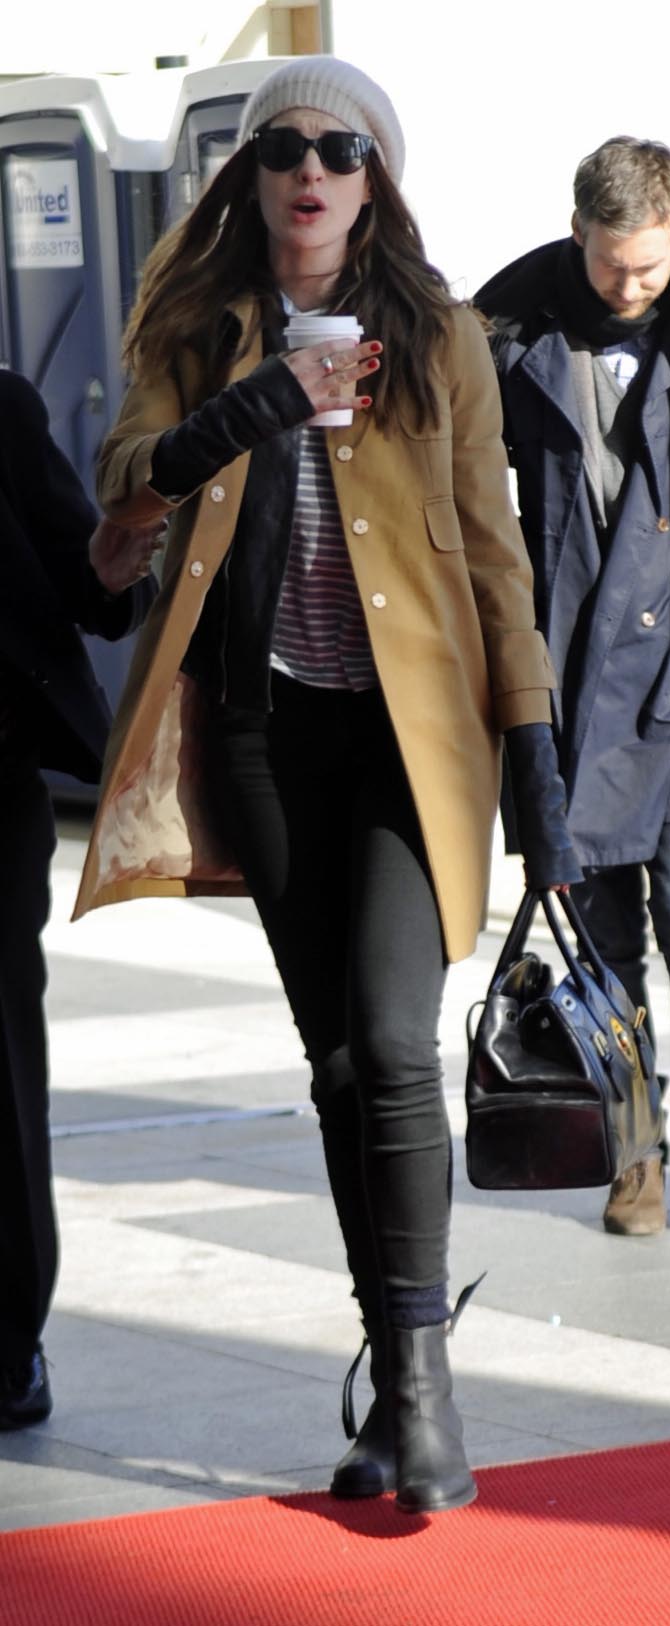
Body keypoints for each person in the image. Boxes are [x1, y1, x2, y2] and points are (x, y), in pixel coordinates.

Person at [73, 56, 580, 1513]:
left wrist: (538, 763)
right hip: (263, 735)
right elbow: (127, 481)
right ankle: (396, 1361)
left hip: (412, 743)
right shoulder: (194, 325)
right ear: (250, 174)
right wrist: (259, 402)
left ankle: (422, 1401)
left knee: (396, 1045)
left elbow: (496, 553)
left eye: (340, 150)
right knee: (340, 1065)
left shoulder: (440, 335)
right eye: (284, 146)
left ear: (375, 181)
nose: (309, 169)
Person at [476, 137, 670, 1238]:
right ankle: (633, 1141)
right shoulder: (513, 320)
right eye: (611, 264)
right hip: (567, 669)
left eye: (649, 267)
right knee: (602, 928)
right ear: (579, 233)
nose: (628, 286)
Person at [0, 369, 159, 1429]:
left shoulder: (1, 412)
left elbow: (90, 585)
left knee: (0, 1068)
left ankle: (8, 1336)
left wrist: (114, 569)